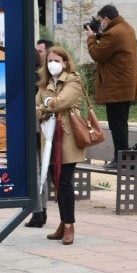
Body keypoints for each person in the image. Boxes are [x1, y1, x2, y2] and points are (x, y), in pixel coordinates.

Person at [36, 45, 86, 245]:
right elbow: (37, 110)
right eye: (49, 61)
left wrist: (45, 106)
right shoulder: (44, 84)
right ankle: (63, 222)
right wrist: (46, 107)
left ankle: (69, 226)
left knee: (64, 181)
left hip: (67, 138)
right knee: (57, 181)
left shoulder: (73, 80)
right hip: (49, 140)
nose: (53, 64)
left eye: (57, 60)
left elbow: (62, 102)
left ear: (65, 62)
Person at [86, 4, 137, 168]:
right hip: (124, 85)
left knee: (117, 124)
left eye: (101, 20)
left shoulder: (114, 33)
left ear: (106, 18)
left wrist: (91, 37)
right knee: (120, 123)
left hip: (116, 87)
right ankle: (122, 157)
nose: (100, 23)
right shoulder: (126, 28)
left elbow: (97, 54)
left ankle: (121, 159)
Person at [25, 38, 53, 228]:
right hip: (45, 128)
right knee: (42, 170)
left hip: (32, 126)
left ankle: (37, 212)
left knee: (34, 170)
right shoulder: (43, 77)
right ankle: (41, 209)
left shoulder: (27, 77)